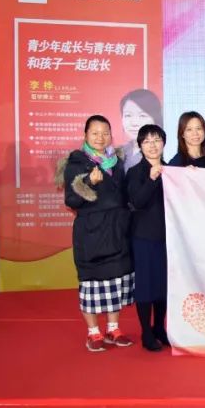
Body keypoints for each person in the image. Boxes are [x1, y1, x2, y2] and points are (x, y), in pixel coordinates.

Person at [58, 115, 135, 352]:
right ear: (85, 135)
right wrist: (88, 182)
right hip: (91, 233)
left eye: (105, 133)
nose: (100, 138)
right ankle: (93, 332)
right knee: (91, 284)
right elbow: (71, 200)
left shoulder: (117, 162)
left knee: (117, 280)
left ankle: (113, 328)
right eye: (95, 133)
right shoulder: (77, 162)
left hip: (117, 230)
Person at [125, 124, 169, 351]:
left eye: (157, 140)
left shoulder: (172, 170)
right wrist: (151, 180)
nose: (152, 145)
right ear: (140, 146)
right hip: (143, 237)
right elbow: (137, 201)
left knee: (164, 285)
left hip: (169, 238)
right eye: (147, 141)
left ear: (164, 143)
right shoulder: (135, 172)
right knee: (145, 286)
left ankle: (159, 327)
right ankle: (146, 332)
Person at [118, 89, 162, 170]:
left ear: (155, 119)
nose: (134, 123)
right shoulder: (118, 152)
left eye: (142, 116)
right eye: (128, 115)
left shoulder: (162, 151)